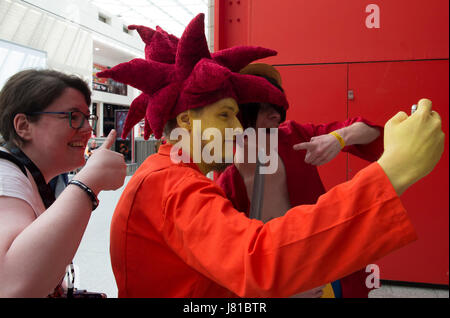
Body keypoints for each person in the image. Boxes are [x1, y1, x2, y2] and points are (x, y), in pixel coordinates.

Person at [99, 14, 445, 297]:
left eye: (236, 115)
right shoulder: (173, 184)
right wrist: (390, 176)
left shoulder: (180, 173)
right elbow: (255, 260)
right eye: (225, 115)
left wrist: (340, 139)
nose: (236, 127)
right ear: (187, 121)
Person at [215, 63, 382, 298]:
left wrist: (338, 138)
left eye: (276, 107)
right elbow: (230, 263)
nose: (274, 114)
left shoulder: (295, 137)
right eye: (262, 108)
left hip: (328, 270)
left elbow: (372, 131)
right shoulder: (228, 183)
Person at [0, 69, 127, 297]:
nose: (88, 130)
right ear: (23, 126)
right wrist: (88, 182)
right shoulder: (4, 173)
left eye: (87, 118)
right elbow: (11, 286)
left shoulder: (34, 176)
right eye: (73, 117)